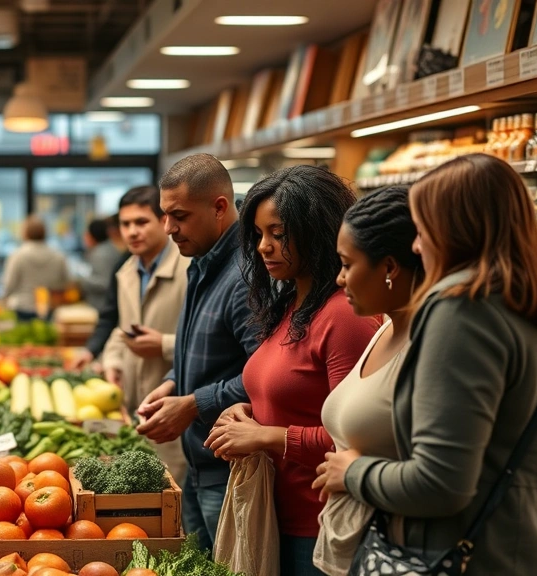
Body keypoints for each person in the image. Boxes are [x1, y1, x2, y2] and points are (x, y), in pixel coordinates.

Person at [314, 154, 537, 575]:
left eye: (422, 231)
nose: (417, 247)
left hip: (464, 558)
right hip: (528, 550)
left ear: (456, 230)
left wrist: (354, 472)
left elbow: (440, 484)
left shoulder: (461, 309)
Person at [206, 165, 377, 576]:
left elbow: (360, 443)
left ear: (317, 230)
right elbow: (294, 398)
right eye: (260, 235)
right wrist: (246, 413)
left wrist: (265, 436)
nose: (265, 247)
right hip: (275, 516)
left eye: (279, 234)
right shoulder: (291, 306)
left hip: (317, 527)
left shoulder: (343, 316)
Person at [134, 153, 259, 551]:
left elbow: (267, 378)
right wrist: (174, 383)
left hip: (230, 473)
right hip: (198, 467)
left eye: (180, 216)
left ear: (219, 207)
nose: (168, 228)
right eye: (165, 214)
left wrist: (192, 403)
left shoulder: (246, 277)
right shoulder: (201, 263)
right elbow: (203, 348)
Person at [311, 186, 423, 576]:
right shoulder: (384, 326)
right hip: (353, 549)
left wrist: (355, 473)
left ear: (390, 268)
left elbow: (442, 473)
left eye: (347, 264)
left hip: (397, 555)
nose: (340, 279)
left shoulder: (428, 347)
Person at [99, 186, 189, 486]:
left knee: (177, 508)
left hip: (178, 413)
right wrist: (111, 361)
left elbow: (211, 342)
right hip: (135, 407)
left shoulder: (189, 268)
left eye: (141, 222)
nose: (132, 232)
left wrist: (162, 345)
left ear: (164, 221)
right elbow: (121, 329)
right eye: (126, 224)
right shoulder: (125, 272)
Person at [1, 215, 71, 320]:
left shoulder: (17, 255)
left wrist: (2, 301)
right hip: (49, 310)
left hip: (20, 308)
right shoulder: (58, 256)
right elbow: (65, 283)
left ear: (25, 233)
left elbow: (8, 285)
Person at [80, 217, 125, 309]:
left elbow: (105, 283)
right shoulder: (109, 248)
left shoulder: (100, 254)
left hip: (101, 306)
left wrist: (82, 279)